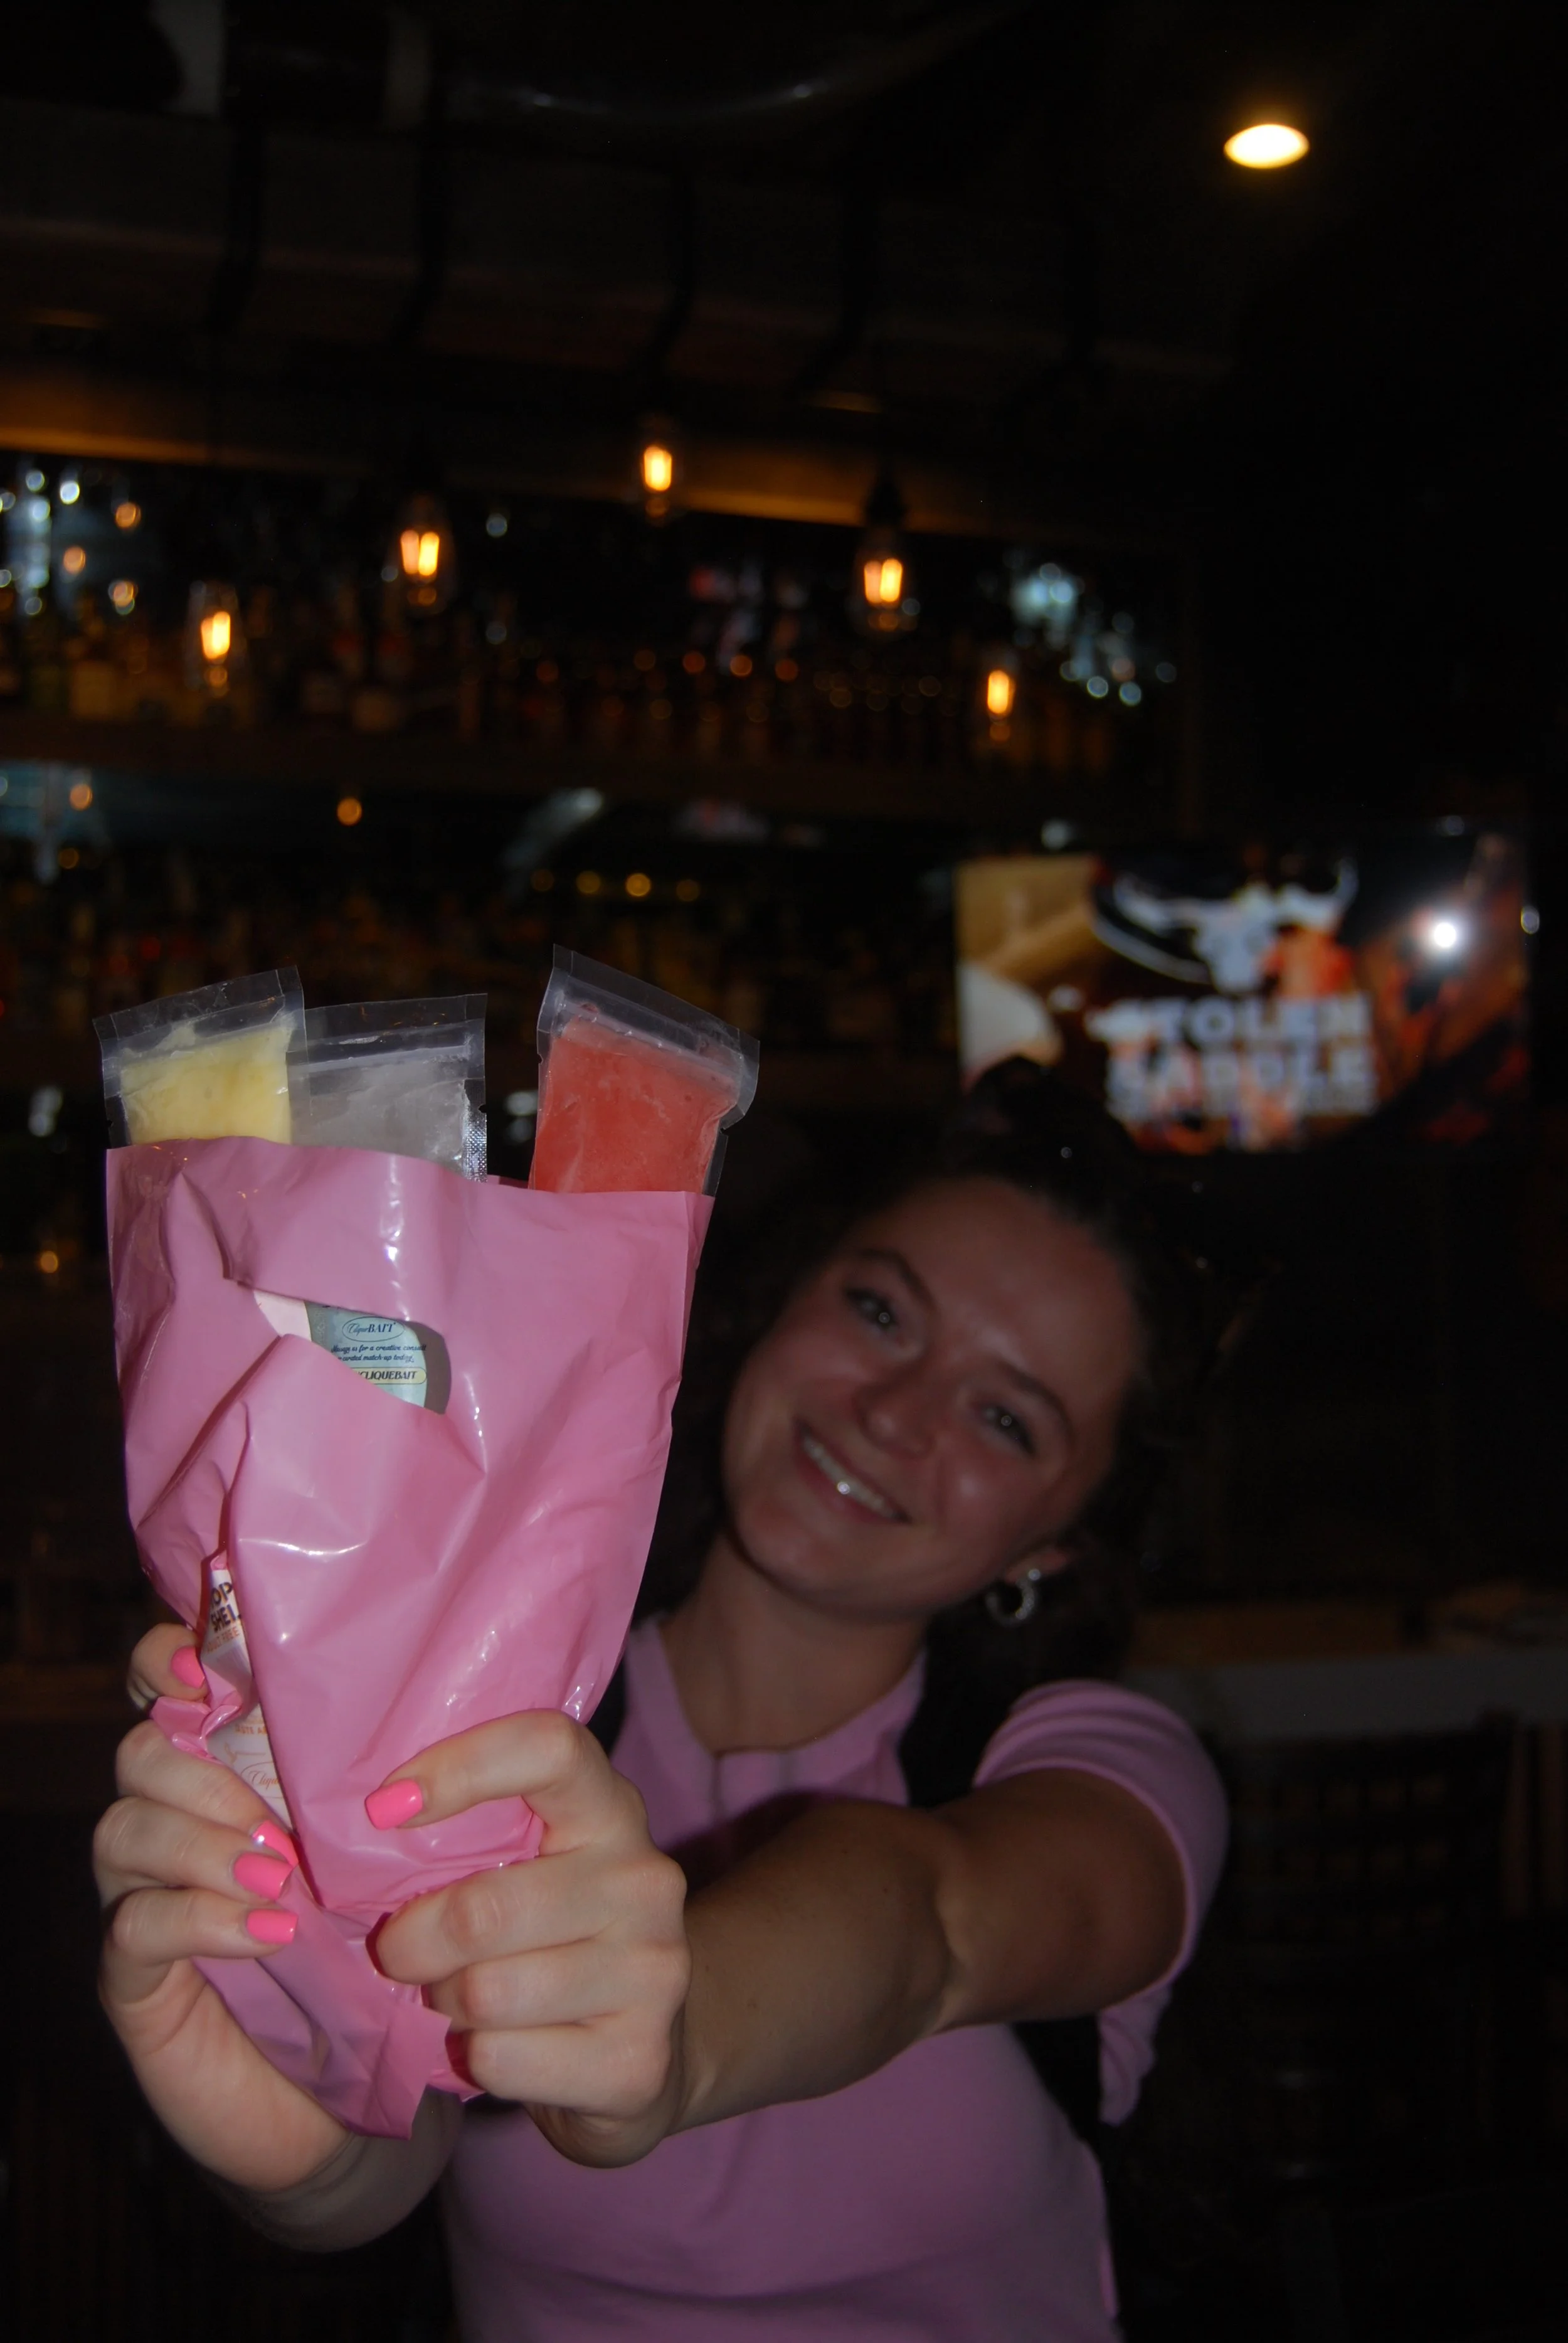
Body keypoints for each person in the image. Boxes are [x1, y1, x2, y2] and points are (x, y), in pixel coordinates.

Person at [93, 1063, 1229, 2341]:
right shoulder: (489, 1726)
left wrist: (669, 2040)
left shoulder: (1103, 1767)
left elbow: (932, 1924)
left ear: (1054, 1547)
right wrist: (298, 2145)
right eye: (877, 1311)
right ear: (779, 1300)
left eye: (1004, 1419)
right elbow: (383, 2158)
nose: (893, 1413)